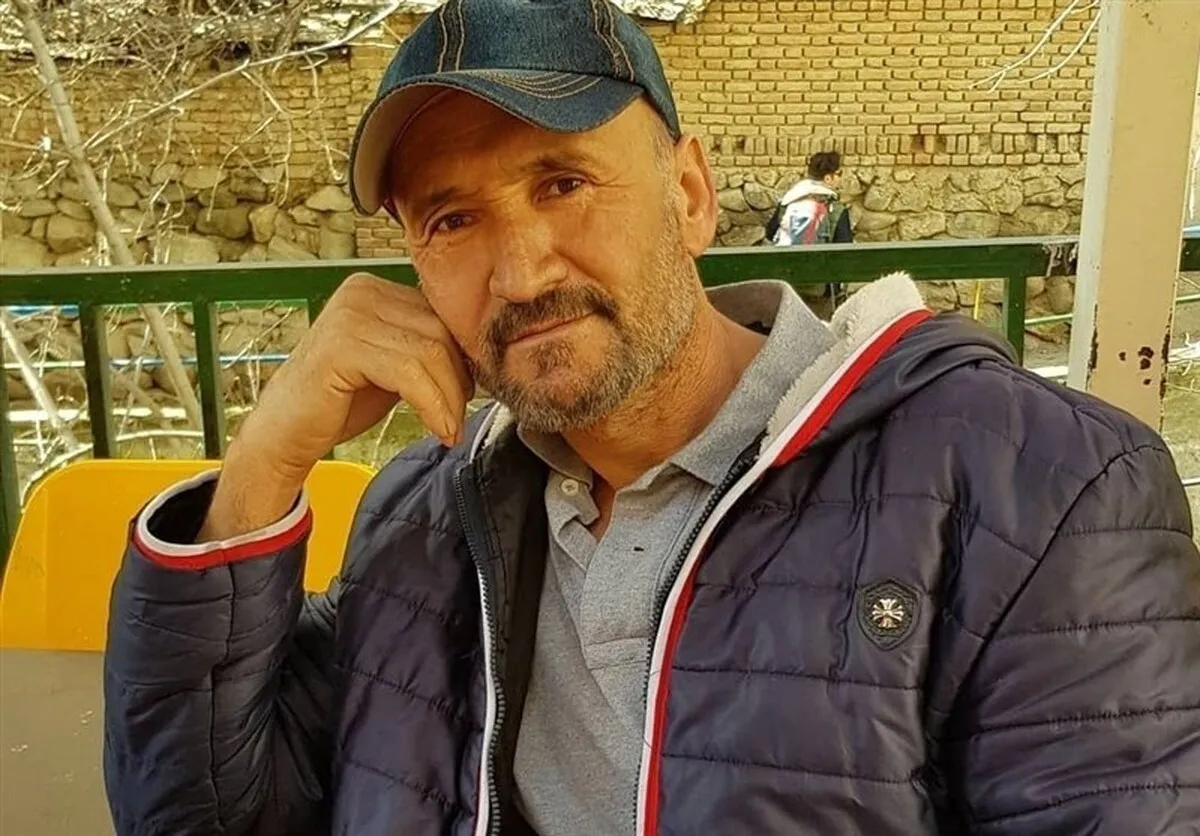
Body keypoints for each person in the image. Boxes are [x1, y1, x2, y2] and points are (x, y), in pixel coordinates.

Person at [101, 1, 1200, 834]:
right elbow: (202, 814)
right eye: (452, 219)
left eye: (563, 183)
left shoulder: (1039, 493)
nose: (522, 271)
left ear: (690, 194)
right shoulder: (425, 522)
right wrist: (265, 460)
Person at [766, 150, 853, 246]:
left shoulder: (788, 201)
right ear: (827, 178)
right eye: (839, 174)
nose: (841, 178)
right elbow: (844, 244)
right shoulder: (836, 209)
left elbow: (770, 233)